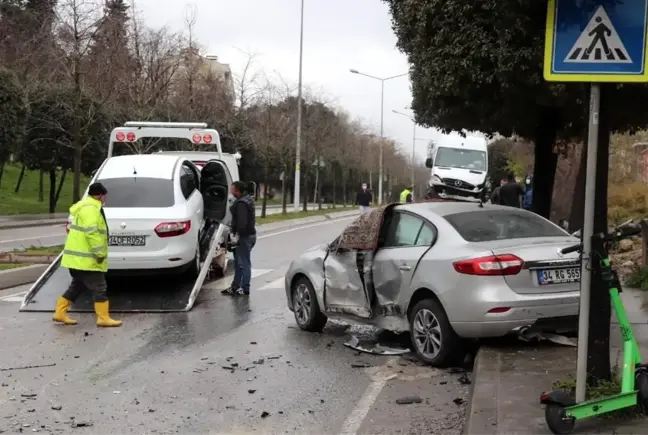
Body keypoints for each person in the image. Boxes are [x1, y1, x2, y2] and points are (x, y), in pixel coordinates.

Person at [53, 182, 122, 327]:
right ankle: (103, 318)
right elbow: (92, 233)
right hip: (86, 259)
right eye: (105, 196)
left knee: (77, 286)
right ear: (101, 195)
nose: (105, 199)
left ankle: (60, 313)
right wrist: (99, 253)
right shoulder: (91, 209)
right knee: (100, 287)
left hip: (77, 259)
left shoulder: (85, 206)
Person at [222, 181, 257, 296]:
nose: (231, 192)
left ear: (236, 190)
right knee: (239, 262)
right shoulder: (247, 199)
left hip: (244, 237)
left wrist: (236, 236)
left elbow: (242, 223)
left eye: (232, 189)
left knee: (244, 263)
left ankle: (244, 288)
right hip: (247, 235)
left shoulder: (241, 203)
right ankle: (235, 286)